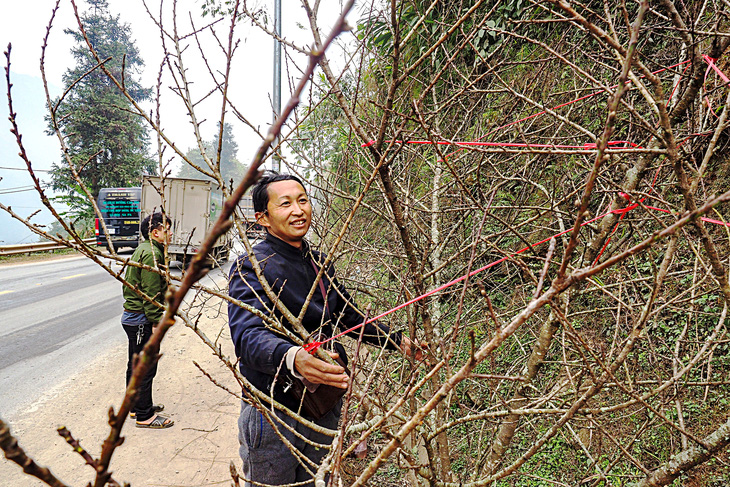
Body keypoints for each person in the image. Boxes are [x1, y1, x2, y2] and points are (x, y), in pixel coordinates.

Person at [228, 172, 422, 485]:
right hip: (275, 410)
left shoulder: (318, 261)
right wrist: (292, 357)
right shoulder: (251, 265)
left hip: (323, 404)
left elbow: (346, 315)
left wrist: (397, 340)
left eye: (302, 200)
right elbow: (247, 337)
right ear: (262, 218)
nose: (298, 210)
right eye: (286, 204)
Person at [121, 212, 174, 429]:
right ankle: (145, 416)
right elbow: (150, 293)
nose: (170, 233)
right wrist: (155, 322)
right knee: (145, 367)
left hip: (133, 317)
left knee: (135, 365)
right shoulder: (153, 254)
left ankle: (135, 406)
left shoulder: (145, 249)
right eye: (167, 229)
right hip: (141, 319)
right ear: (156, 233)